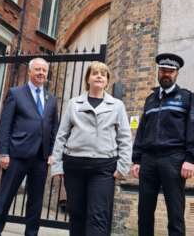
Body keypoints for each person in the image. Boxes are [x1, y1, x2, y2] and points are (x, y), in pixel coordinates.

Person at [49, 61, 132, 236]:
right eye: (95, 73)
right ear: (88, 79)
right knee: (76, 214)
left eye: (103, 74)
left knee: (98, 215)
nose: (99, 76)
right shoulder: (74, 104)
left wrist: (123, 166)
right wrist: (56, 165)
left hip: (103, 167)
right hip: (74, 166)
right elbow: (61, 136)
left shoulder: (117, 106)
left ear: (107, 81)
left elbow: (125, 137)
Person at [131, 53, 194, 236]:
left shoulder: (188, 98)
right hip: (148, 160)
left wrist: (190, 159)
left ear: (177, 73)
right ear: (158, 71)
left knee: (175, 212)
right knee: (144, 212)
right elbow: (142, 130)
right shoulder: (150, 99)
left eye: (171, 71)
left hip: (174, 160)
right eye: (163, 70)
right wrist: (137, 159)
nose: (167, 74)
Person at [0, 58, 59, 236]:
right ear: (29, 72)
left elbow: (53, 128)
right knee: (5, 199)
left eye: (44, 70)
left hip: (40, 159)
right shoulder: (16, 93)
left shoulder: (51, 99)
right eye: (37, 70)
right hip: (16, 155)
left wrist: (51, 152)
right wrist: (3, 152)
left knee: (35, 204)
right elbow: (5, 125)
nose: (41, 73)